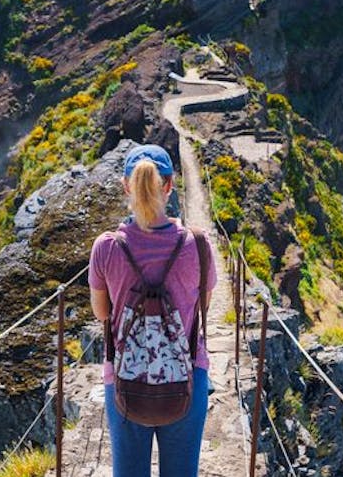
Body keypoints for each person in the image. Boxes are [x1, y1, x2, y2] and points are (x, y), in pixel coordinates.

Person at [88, 143, 215, 477]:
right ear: (170, 185)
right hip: (187, 376)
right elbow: (203, 308)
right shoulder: (197, 245)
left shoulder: (107, 247)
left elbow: (102, 314)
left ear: (126, 185)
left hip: (125, 378)